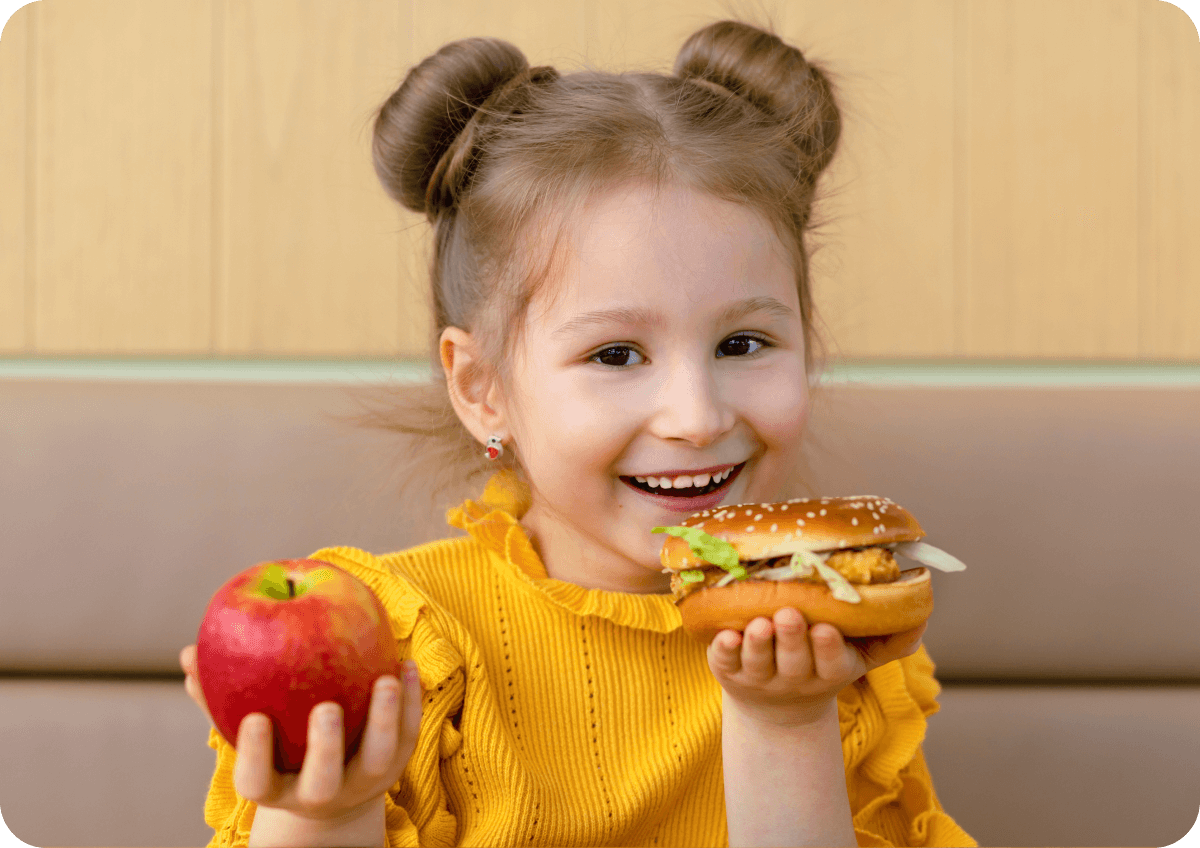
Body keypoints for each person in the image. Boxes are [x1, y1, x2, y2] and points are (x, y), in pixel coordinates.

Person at [180, 19, 977, 848]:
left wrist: (785, 726)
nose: (697, 417)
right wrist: (330, 811)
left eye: (742, 344)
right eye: (616, 354)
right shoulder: (396, 646)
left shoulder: (838, 640)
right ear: (481, 388)